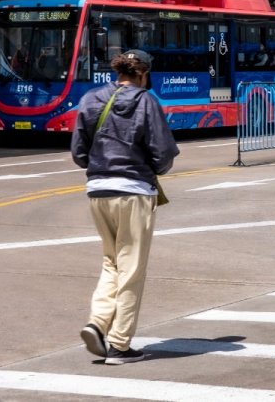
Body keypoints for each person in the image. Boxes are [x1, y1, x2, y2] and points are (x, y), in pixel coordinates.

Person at [71, 49, 180, 365]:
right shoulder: (146, 101)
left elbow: (79, 152)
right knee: (131, 268)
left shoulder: (91, 98)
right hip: (133, 191)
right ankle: (119, 343)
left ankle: (97, 322)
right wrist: (150, 169)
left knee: (112, 262)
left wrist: (101, 166)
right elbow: (163, 153)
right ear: (144, 74)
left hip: (98, 190)